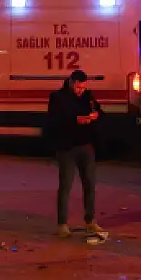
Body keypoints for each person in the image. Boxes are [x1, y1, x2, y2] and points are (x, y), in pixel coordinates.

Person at [47, 69, 105, 238]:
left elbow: (100, 112)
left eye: (84, 88)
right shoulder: (58, 97)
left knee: (90, 184)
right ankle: (63, 224)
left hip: (86, 146)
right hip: (67, 148)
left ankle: (90, 221)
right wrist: (75, 120)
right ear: (71, 83)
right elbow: (54, 121)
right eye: (79, 87)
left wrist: (95, 116)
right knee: (66, 186)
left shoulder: (88, 96)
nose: (81, 91)